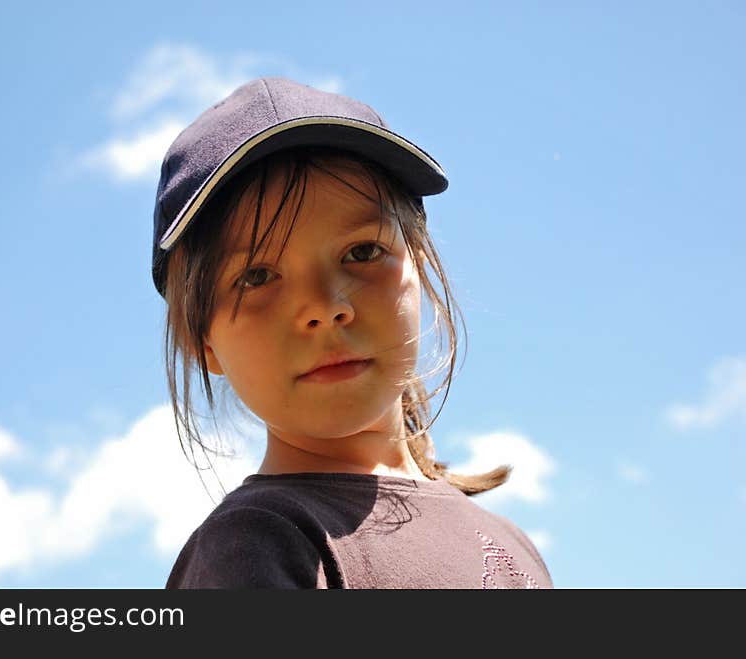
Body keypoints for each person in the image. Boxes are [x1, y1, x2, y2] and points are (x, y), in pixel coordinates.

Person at [151, 77, 553, 588]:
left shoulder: (514, 546)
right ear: (199, 337)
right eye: (257, 276)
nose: (324, 307)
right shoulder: (256, 546)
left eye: (361, 252)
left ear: (420, 267)